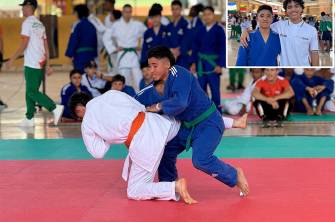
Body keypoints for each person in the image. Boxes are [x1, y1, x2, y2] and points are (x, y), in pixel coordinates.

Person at [141, 46, 249, 196]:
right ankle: (170, 186)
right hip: (186, 127)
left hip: (208, 123)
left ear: (167, 64)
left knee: (200, 160)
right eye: (149, 66)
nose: (151, 70)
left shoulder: (179, 73)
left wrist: (158, 106)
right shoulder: (152, 87)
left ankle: (234, 174)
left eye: (154, 66)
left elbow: (181, 102)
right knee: (165, 150)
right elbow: (135, 102)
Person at [69, 91, 197, 204]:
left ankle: (174, 187)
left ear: (79, 110)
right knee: (168, 136)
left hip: (144, 141)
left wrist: (106, 135)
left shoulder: (87, 123)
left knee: (135, 190)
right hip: (161, 123)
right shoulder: (111, 94)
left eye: (79, 116)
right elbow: (139, 106)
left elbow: (98, 152)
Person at [5, 0, 63, 127]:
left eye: (24, 7)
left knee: (31, 92)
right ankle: (29, 118)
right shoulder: (40, 24)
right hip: (40, 62)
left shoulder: (27, 23)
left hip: (32, 63)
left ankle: (54, 108)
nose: (22, 9)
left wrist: (12, 59)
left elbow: (24, 43)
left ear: (30, 7)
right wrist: (48, 64)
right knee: (30, 91)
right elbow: (46, 46)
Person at [240, 0, 319, 66]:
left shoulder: (311, 30)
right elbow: (262, 27)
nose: (293, 9)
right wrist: (245, 31)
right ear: (286, 11)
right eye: (289, 7)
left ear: (302, 9)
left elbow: (314, 54)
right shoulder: (279, 25)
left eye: (296, 6)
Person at [190, 6, 226, 112]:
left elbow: (222, 48)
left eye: (209, 14)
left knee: (215, 90)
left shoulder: (219, 30)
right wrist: (193, 62)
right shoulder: (200, 30)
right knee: (201, 90)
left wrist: (220, 65)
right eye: (204, 14)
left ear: (213, 15)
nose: (206, 17)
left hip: (213, 64)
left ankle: (217, 113)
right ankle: (204, 112)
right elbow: (195, 47)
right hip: (201, 64)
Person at [108, 4, 146, 89]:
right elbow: (106, 37)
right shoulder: (116, 25)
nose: (128, 14)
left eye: (129, 12)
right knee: (123, 81)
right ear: (122, 12)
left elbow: (146, 34)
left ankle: (141, 99)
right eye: (126, 12)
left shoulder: (137, 24)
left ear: (131, 13)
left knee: (139, 80)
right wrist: (114, 48)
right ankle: (125, 100)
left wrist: (141, 46)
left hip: (134, 55)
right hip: (123, 55)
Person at [65, 4, 97, 72]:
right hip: (90, 55)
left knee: (80, 76)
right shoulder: (92, 25)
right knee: (89, 76)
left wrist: (70, 54)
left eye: (75, 12)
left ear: (78, 13)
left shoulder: (78, 25)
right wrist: (94, 54)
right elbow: (95, 41)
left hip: (80, 56)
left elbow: (74, 40)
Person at [167, 0, 191, 69]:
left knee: (183, 78)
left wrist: (179, 51)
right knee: (172, 78)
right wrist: (171, 50)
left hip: (183, 57)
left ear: (181, 9)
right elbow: (166, 40)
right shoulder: (169, 26)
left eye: (177, 9)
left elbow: (187, 39)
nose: (175, 11)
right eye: (173, 9)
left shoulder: (186, 24)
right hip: (171, 57)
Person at [102, 9, 122, 74]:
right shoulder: (115, 26)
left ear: (114, 16)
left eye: (111, 15)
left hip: (116, 51)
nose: (109, 16)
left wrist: (113, 49)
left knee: (115, 69)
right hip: (115, 51)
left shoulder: (115, 27)